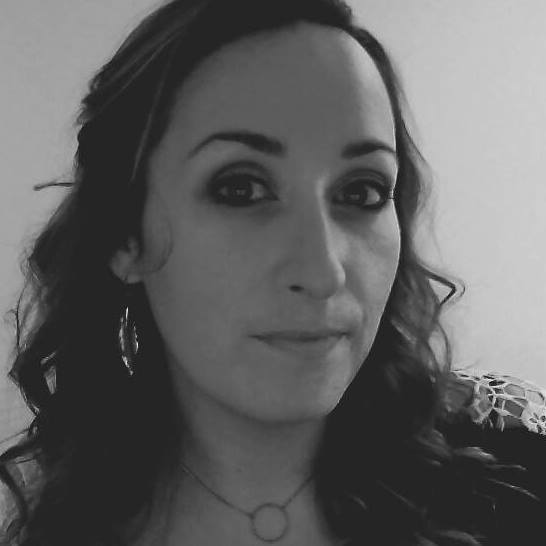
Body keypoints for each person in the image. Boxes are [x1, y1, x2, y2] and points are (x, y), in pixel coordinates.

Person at [0, 0, 544, 544]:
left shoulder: (516, 474)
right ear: (126, 234)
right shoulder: (48, 524)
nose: (324, 271)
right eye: (240, 188)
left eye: (362, 192)